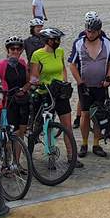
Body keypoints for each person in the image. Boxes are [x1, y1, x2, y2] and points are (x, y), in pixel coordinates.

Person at [29, 27, 81, 168]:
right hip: (45, 93)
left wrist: (64, 81)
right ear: (47, 40)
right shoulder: (37, 55)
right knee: (48, 126)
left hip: (60, 93)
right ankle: (50, 156)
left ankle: (71, 156)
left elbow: (63, 68)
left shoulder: (60, 52)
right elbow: (33, 76)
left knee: (67, 126)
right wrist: (38, 82)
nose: (58, 42)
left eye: (58, 39)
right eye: (55, 39)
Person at [69, 17, 110, 157]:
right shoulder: (78, 43)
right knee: (85, 114)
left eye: (93, 32)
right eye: (88, 31)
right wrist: (79, 82)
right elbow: (72, 64)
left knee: (98, 114)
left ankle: (96, 144)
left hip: (101, 85)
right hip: (85, 86)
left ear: (99, 31)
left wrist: (108, 78)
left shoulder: (106, 43)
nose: (90, 34)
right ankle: (84, 144)